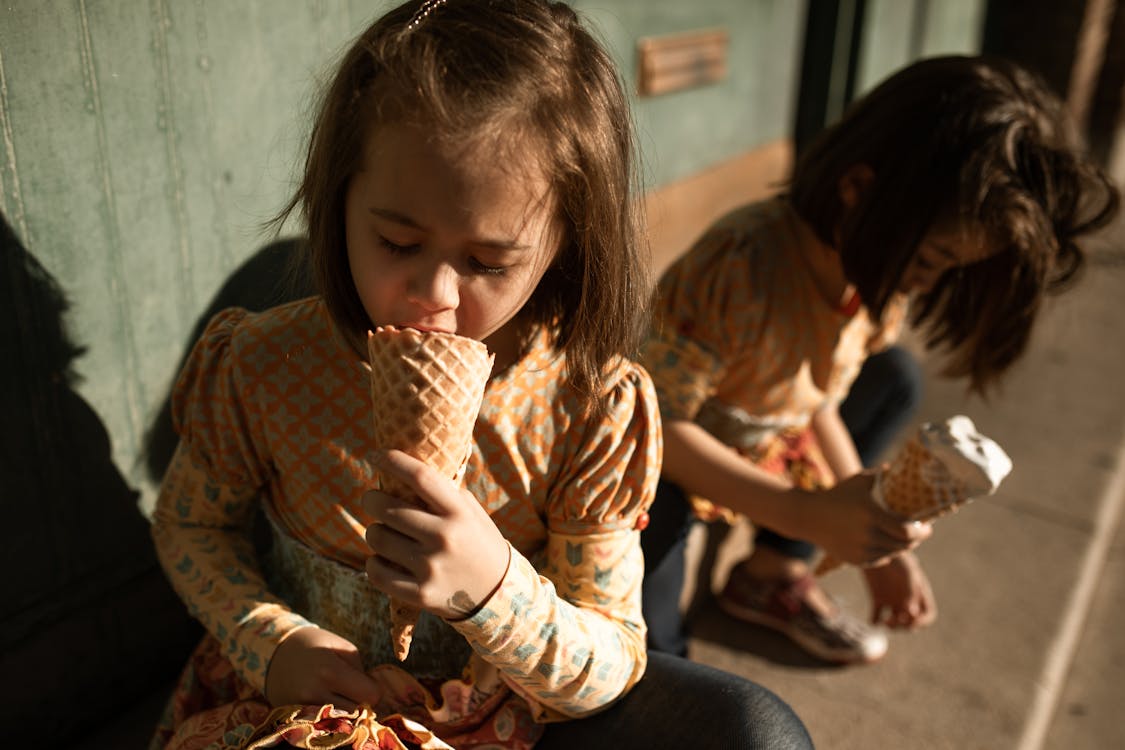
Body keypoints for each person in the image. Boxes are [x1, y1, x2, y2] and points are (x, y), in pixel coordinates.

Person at [149, 2, 813, 749]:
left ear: (565, 242)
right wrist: (269, 640)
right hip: (299, 712)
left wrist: (492, 588)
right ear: (339, 203)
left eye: (488, 263)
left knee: (757, 732)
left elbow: (613, 656)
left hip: (503, 718)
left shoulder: (590, 405)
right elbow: (191, 523)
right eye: (397, 241)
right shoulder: (264, 363)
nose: (434, 293)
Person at [639, 54, 1120, 664]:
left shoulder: (870, 279)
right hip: (672, 460)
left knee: (892, 378)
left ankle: (769, 574)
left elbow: (822, 404)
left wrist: (883, 545)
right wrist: (803, 512)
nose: (923, 284)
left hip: (764, 437)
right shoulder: (740, 266)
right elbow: (654, 425)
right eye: (929, 260)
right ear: (858, 190)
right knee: (652, 588)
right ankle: (663, 671)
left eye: (948, 269)